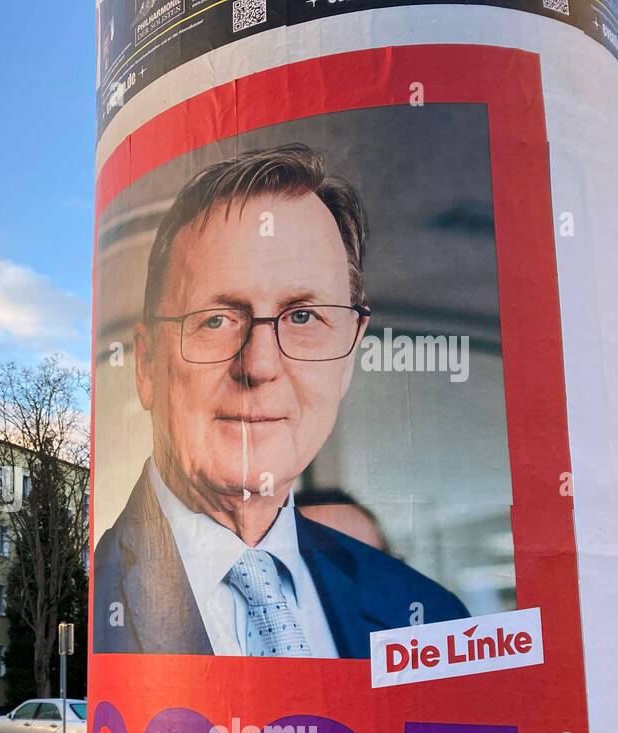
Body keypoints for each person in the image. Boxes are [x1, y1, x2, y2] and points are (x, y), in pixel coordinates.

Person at [93, 144, 467, 658]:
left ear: (350, 355)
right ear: (147, 366)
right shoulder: (82, 601)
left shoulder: (428, 617)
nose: (261, 365)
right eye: (216, 320)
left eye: (303, 317)